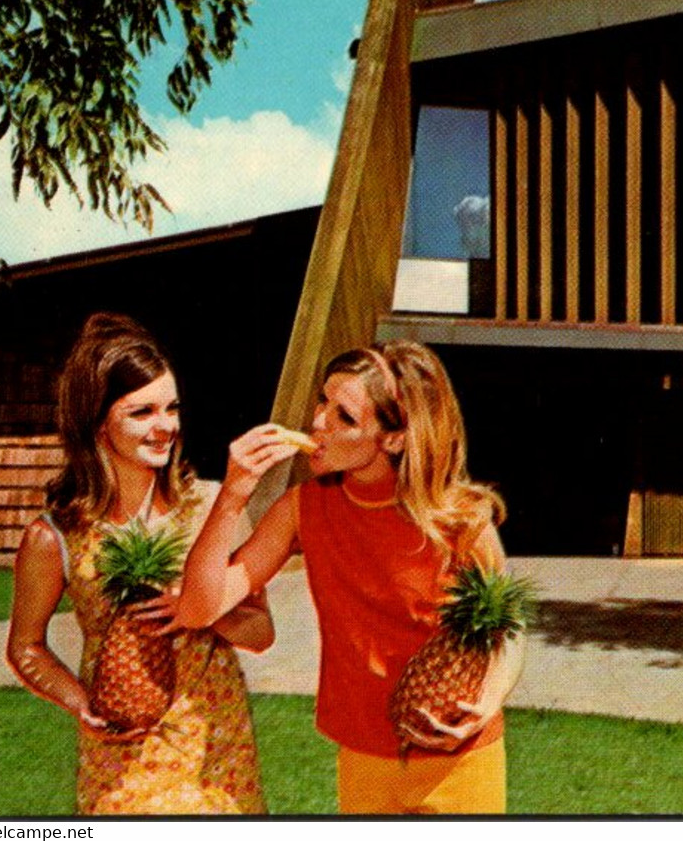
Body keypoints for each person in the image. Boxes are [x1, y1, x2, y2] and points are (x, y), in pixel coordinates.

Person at [177, 340, 524, 815]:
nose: (318, 423)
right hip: (363, 757)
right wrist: (234, 493)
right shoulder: (303, 507)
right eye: (323, 401)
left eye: (345, 417)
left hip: (461, 759)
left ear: (394, 438)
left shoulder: (459, 520)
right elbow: (199, 608)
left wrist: (489, 700)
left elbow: (511, 626)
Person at [6, 313, 271, 815]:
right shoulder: (54, 535)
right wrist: (77, 699)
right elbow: (25, 646)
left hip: (217, 759)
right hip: (120, 761)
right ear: (96, 420)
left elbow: (260, 633)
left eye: (172, 408)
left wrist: (199, 607)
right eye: (142, 412)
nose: (165, 426)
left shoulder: (213, 509)